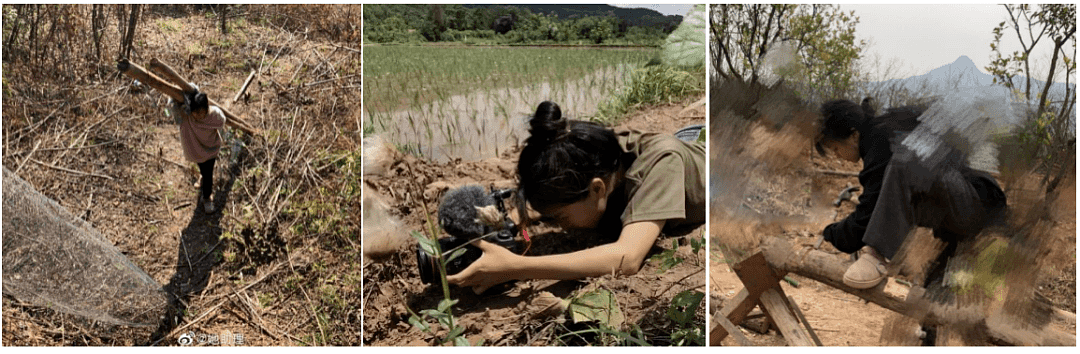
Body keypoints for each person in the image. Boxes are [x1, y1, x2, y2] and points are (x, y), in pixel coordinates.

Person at [447, 101, 706, 293]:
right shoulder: (589, 153)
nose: (557, 224)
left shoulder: (662, 164)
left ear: (597, 190)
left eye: (559, 217)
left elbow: (627, 258)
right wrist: (509, 228)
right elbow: (535, 208)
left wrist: (514, 267)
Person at [815, 98, 1007, 290]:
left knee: (907, 161)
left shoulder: (883, 139)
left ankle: (877, 255)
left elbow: (868, 213)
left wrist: (832, 232)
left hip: (978, 203)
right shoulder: (881, 137)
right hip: (955, 216)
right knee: (935, 300)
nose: (837, 155)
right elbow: (879, 207)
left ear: (853, 135)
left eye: (835, 148)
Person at [172, 90, 226, 214]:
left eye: (202, 112)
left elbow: (222, 122)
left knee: (208, 174)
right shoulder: (188, 117)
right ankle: (202, 176)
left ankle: (207, 198)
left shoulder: (214, 115)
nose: (199, 116)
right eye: (196, 113)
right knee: (202, 167)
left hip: (211, 149)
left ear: (207, 108)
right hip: (196, 151)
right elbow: (173, 107)